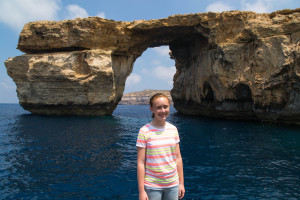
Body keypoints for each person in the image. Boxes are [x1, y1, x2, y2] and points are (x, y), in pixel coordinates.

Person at [136, 93, 185, 200]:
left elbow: (178, 158)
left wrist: (181, 183)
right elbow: (140, 162)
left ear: (169, 107)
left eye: (165, 107)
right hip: (152, 186)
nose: (163, 110)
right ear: (151, 109)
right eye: (158, 107)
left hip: (173, 184)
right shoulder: (144, 131)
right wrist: (141, 191)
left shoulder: (173, 129)